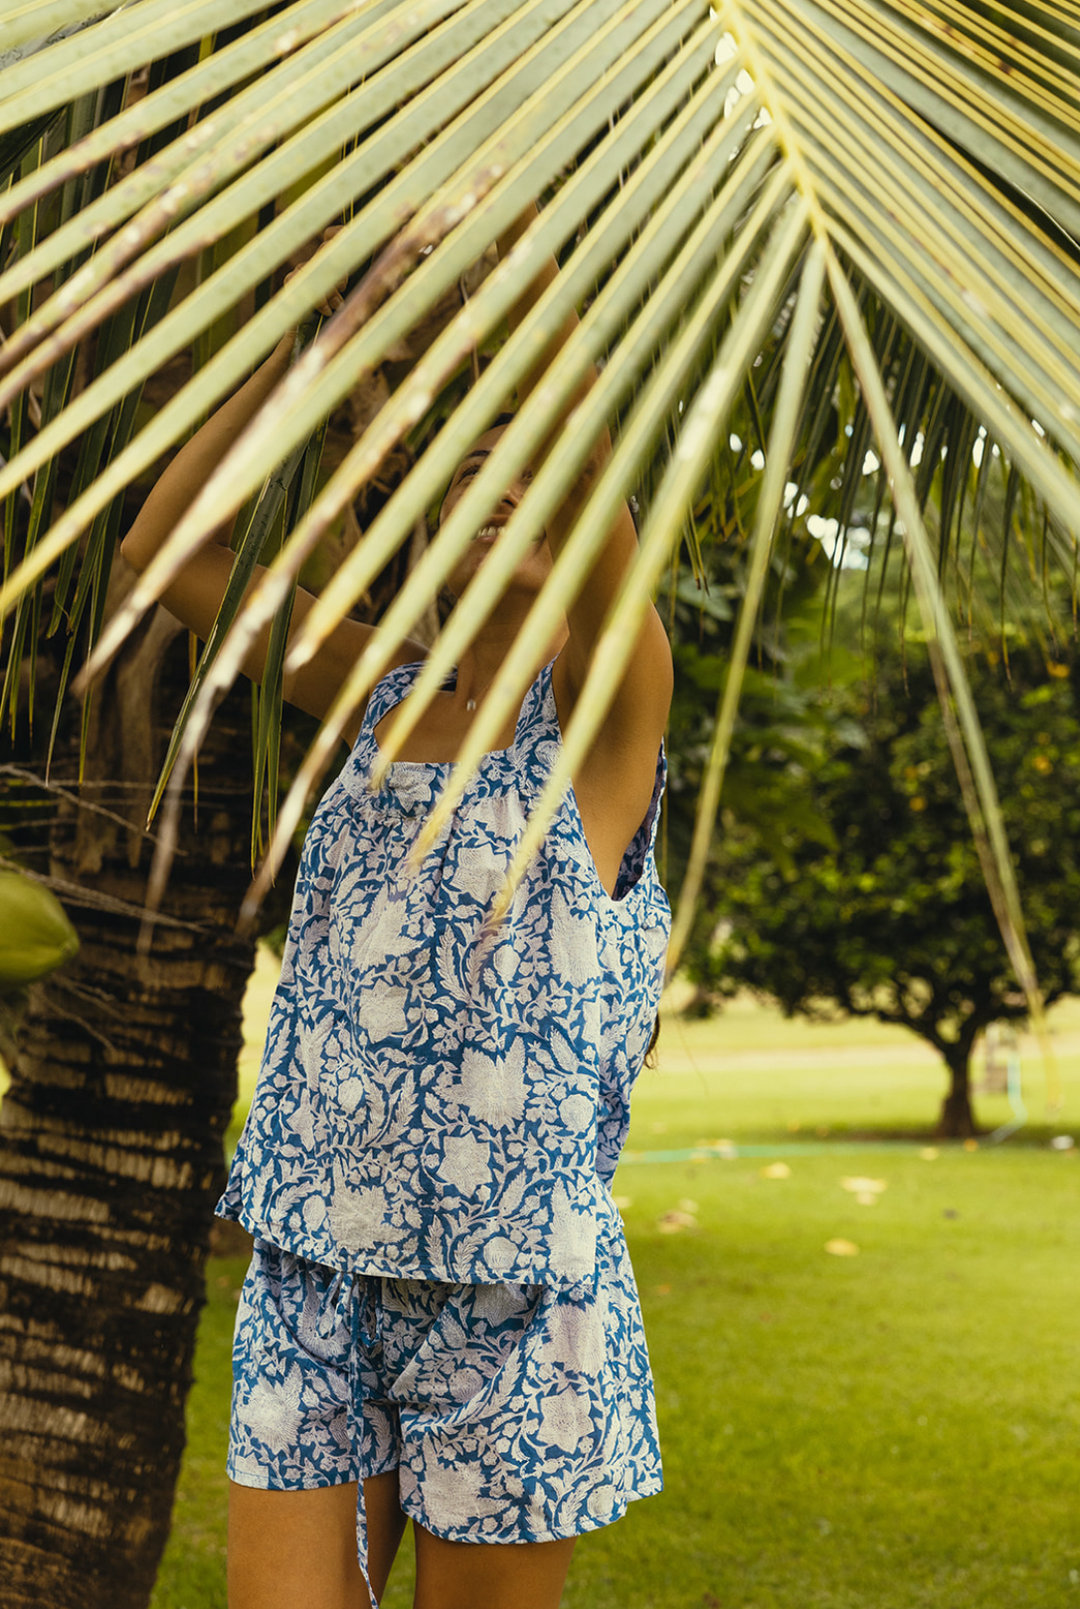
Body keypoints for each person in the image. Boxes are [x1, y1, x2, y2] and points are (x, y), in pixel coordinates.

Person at [121, 204, 673, 1609]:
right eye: (467, 459)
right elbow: (165, 553)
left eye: (528, 456)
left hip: (511, 1307)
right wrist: (321, 333)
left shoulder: (603, 722)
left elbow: (604, 544)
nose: (499, 472)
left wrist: (531, 273)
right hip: (311, 1269)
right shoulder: (370, 688)